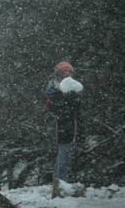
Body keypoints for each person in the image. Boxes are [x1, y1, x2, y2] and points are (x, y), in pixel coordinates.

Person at [44, 61, 83, 197]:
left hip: (71, 124)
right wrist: (66, 99)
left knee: (66, 155)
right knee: (64, 154)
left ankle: (60, 184)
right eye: (65, 72)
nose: (67, 74)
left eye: (69, 72)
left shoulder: (70, 88)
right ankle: (60, 185)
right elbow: (52, 107)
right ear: (59, 73)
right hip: (61, 125)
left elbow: (76, 108)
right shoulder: (54, 88)